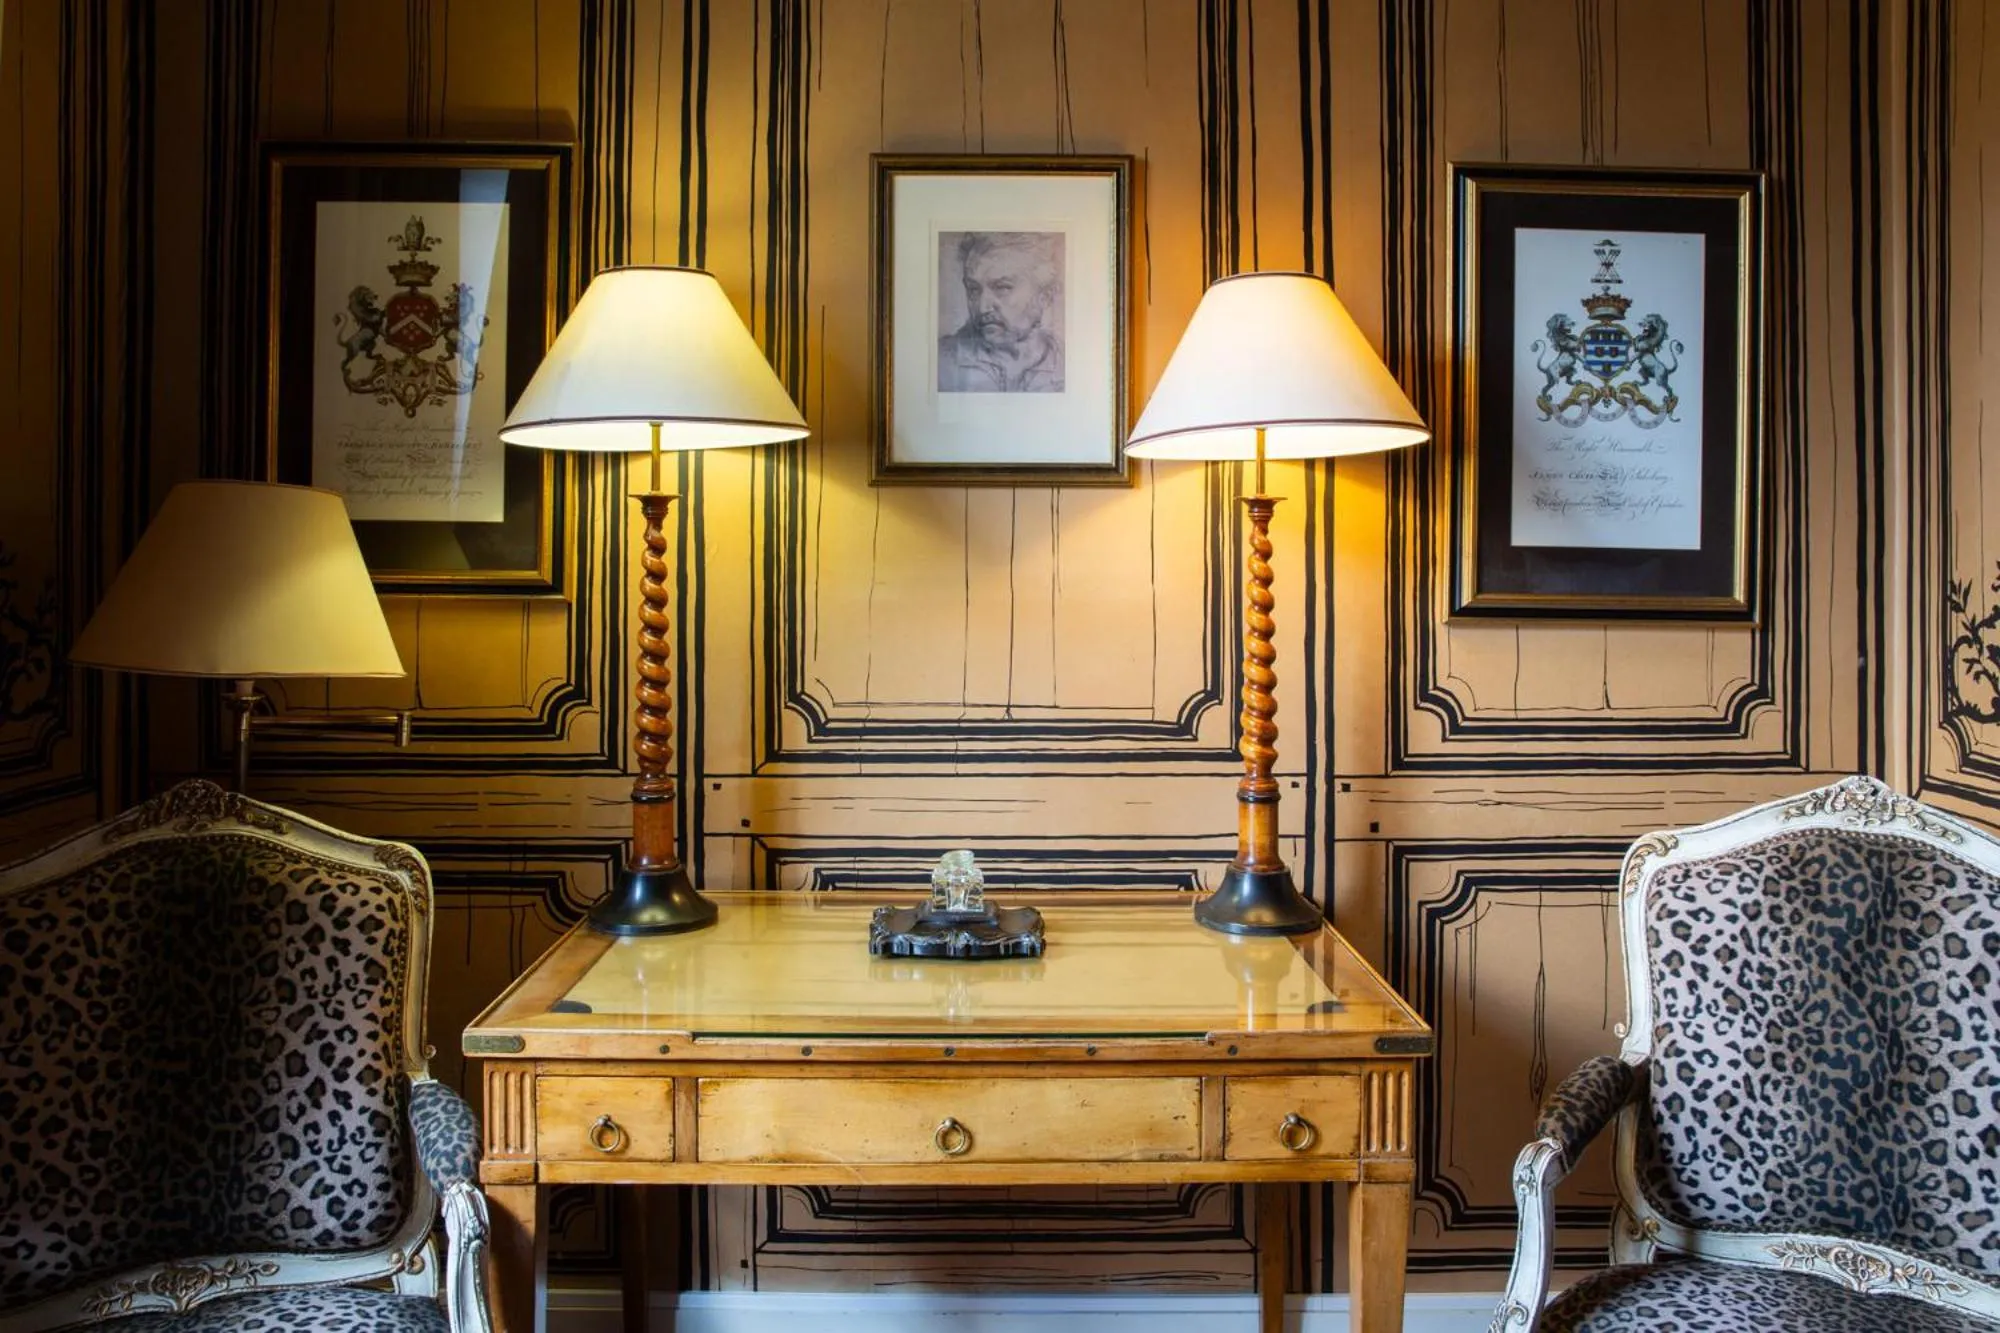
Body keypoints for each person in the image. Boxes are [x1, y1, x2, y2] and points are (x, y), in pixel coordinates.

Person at [937, 232, 1065, 393]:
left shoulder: (1071, 362)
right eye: (973, 289)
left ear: (1045, 296)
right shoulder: (941, 361)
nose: (982, 307)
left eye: (1002, 288)